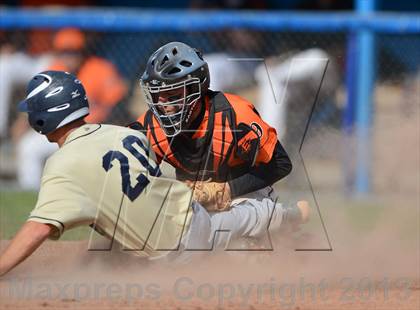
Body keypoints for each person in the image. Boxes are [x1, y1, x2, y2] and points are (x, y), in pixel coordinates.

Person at [0, 71, 308, 277]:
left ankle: (282, 217)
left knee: (229, 232)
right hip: (190, 213)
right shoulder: (120, 135)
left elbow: (38, 228)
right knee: (241, 219)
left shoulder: (62, 165)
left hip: (179, 249)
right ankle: (286, 215)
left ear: (42, 120)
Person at [130, 41, 295, 213]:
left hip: (245, 196)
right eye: (157, 97)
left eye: (173, 95)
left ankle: (285, 218)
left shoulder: (233, 113)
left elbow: (280, 163)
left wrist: (227, 189)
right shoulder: (149, 127)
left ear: (196, 88)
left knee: (237, 220)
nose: (165, 106)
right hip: (194, 204)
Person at [11, 28, 128, 189]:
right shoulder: (53, 71)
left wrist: (104, 129)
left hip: (92, 131)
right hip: (58, 131)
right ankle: (30, 193)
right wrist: (22, 123)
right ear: (57, 52)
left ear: (82, 51)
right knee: (29, 146)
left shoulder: (99, 68)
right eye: (64, 52)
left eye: (74, 52)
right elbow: (35, 102)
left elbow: (119, 103)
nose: (69, 56)